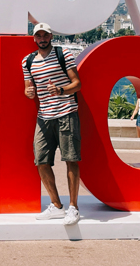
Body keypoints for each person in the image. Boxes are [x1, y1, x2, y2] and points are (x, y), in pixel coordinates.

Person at [22, 23, 82, 225]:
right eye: (38, 36)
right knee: (40, 160)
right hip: (44, 116)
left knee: (71, 159)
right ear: (34, 39)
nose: (42, 38)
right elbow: (28, 89)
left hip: (66, 113)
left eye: (45, 35)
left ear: (50, 36)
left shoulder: (63, 53)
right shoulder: (27, 61)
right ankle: (56, 206)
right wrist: (28, 92)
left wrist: (61, 90)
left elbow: (77, 83)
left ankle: (73, 208)